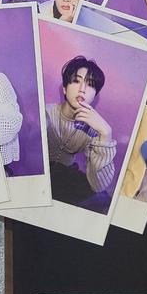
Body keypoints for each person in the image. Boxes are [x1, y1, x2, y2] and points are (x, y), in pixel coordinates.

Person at [46, 56, 117, 204]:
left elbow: (98, 185)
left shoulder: (93, 129)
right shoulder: (45, 112)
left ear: (94, 95)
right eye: (76, 81)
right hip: (40, 173)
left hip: (66, 177)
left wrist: (106, 134)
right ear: (64, 88)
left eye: (90, 84)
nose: (82, 89)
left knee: (102, 201)